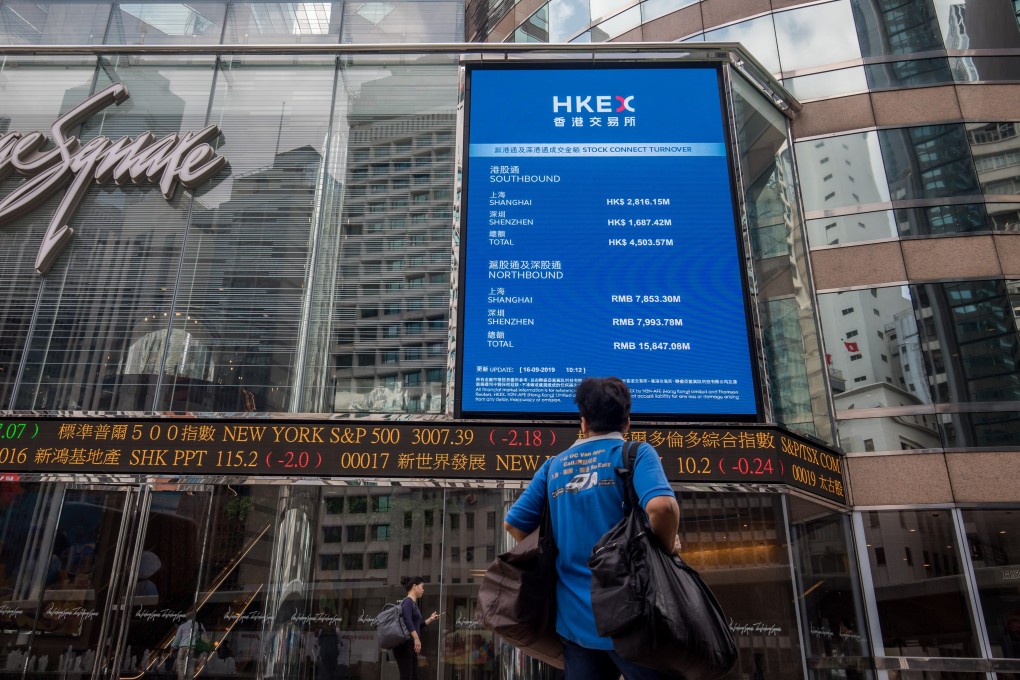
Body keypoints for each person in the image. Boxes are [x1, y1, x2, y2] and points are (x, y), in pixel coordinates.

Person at [504, 376, 682, 680]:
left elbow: (515, 523)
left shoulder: (554, 466)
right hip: (633, 617)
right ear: (627, 422)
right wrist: (664, 549)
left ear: (583, 423)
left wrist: (554, 554)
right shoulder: (636, 454)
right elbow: (662, 507)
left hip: (575, 624)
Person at [393, 576, 440, 680]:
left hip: (410, 644)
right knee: (407, 676)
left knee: (413, 675)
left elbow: (417, 625)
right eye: (422, 587)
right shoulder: (408, 601)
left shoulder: (413, 603)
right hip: (405, 644)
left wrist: (430, 619)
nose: (423, 590)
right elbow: (407, 620)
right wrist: (416, 638)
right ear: (414, 586)